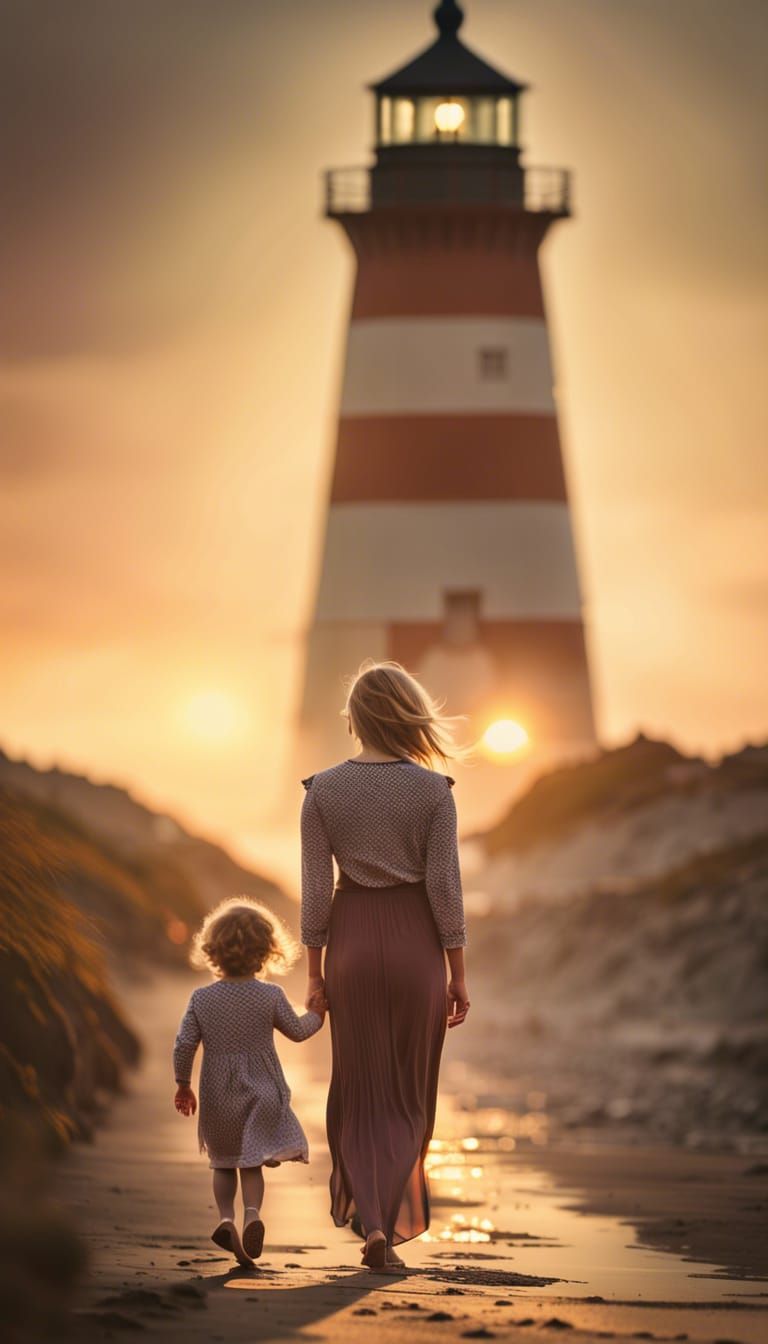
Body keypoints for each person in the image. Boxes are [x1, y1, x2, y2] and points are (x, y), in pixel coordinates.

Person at [300, 659, 470, 1272]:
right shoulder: (434, 792)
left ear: (355, 721)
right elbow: (445, 889)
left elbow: (315, 891)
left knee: (359, 1089)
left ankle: (372, 1222)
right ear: (408, 717)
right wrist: (458, 973)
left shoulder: (321, 791)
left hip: (350, 945)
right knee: (407, 1096)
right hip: (414, 947)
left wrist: (314, 971)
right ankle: (384, 1221)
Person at [173, 896, 327, 1267]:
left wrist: (183, 1084)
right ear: (266, 951)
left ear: (213, 950)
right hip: (262, 1092)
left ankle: (226, 1218)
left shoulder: (202, 999)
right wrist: (318, 1015)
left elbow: (184, 1044)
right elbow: (297, 1031)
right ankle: (253, 1214)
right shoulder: (270, 995)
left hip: (217, 1095)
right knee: (252, 1162)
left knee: (223, 1163)